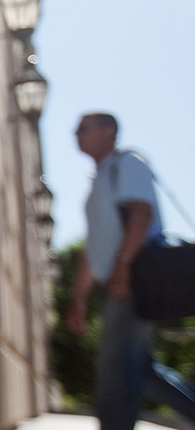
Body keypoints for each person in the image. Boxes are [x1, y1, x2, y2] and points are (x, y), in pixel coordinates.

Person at [67, 112, 195, 428]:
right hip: (118, 279)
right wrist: (79, 296)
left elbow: (141, 213)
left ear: (108, 130)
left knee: (116, 367)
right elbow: (94, 244)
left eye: (84, 127)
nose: (76, 133)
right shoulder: (100, 178)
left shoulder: (128, 163)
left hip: (131, 279)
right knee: (140, 368)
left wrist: (123, 268)